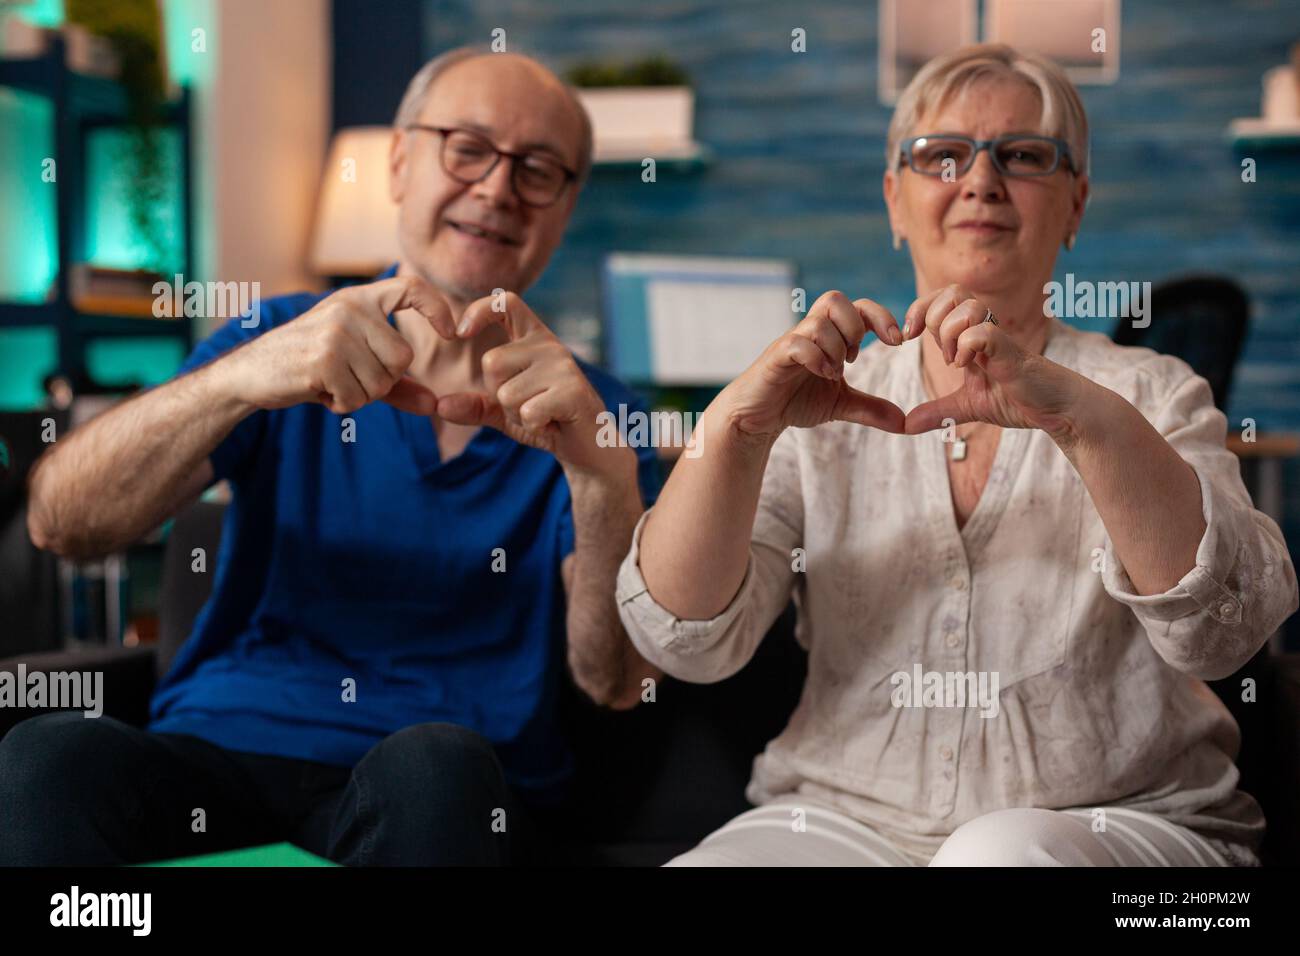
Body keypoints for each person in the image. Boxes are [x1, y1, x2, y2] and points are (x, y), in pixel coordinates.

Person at [616, 43, 1298, 867]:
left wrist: (1082, 421)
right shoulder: (819, 403)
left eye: (1023, 155)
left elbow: (1223, 636)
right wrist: (734, 429)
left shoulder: (1154, 392)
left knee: (996, 856)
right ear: (894, 199)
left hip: (1125, 819)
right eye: (942, 155)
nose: (980, 180)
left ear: (1076, 203)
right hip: (844, 816)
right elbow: (687, 642)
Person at [2, 48, 662, 866]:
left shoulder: (600, 412)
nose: (496, 188)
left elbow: (617, 681)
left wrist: (598, 476)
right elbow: (61, 523)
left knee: (435, 771)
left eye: (538, 169)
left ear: (564, 207)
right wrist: (237, 380)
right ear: (397, 162)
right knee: (44, 759)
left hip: (446, 786)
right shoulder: (279, 334)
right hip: (221, 750)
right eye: (467, 147)